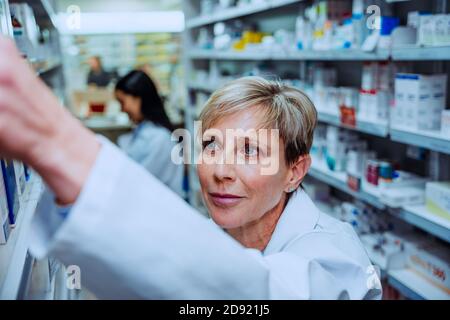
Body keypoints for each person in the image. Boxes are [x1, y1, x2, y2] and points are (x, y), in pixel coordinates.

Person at [0, 37, 381, 299]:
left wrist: (58, 144)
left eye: (250, 151)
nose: (220, 170)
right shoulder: (215, 230)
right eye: (211, 145)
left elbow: (256, 292)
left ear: (295, 171)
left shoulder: (336, 256)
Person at [114, 70, 184, 197]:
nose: (122, 109)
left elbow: (139, 181)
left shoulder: (160, 139)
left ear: (138, 98)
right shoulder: (145, 129)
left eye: (122, 102)